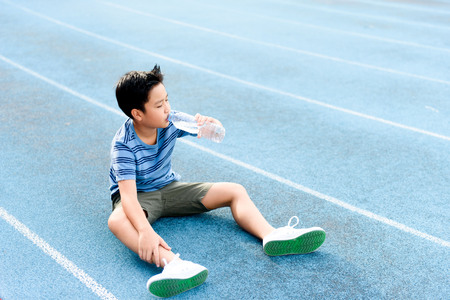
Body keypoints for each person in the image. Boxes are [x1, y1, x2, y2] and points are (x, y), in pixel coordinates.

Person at [107, 65, 326, 298]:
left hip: (169, 188)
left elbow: (214, 131)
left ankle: (271, 235)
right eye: (159, 105)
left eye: (167, 100)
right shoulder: (123, 145)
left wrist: (212, 124)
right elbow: (128, 197)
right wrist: (145, 231)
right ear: (137, 114)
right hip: (141, 198)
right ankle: (174, 265)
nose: (168, 109)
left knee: (234, 190)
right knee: (117, 221)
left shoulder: (172, 121)